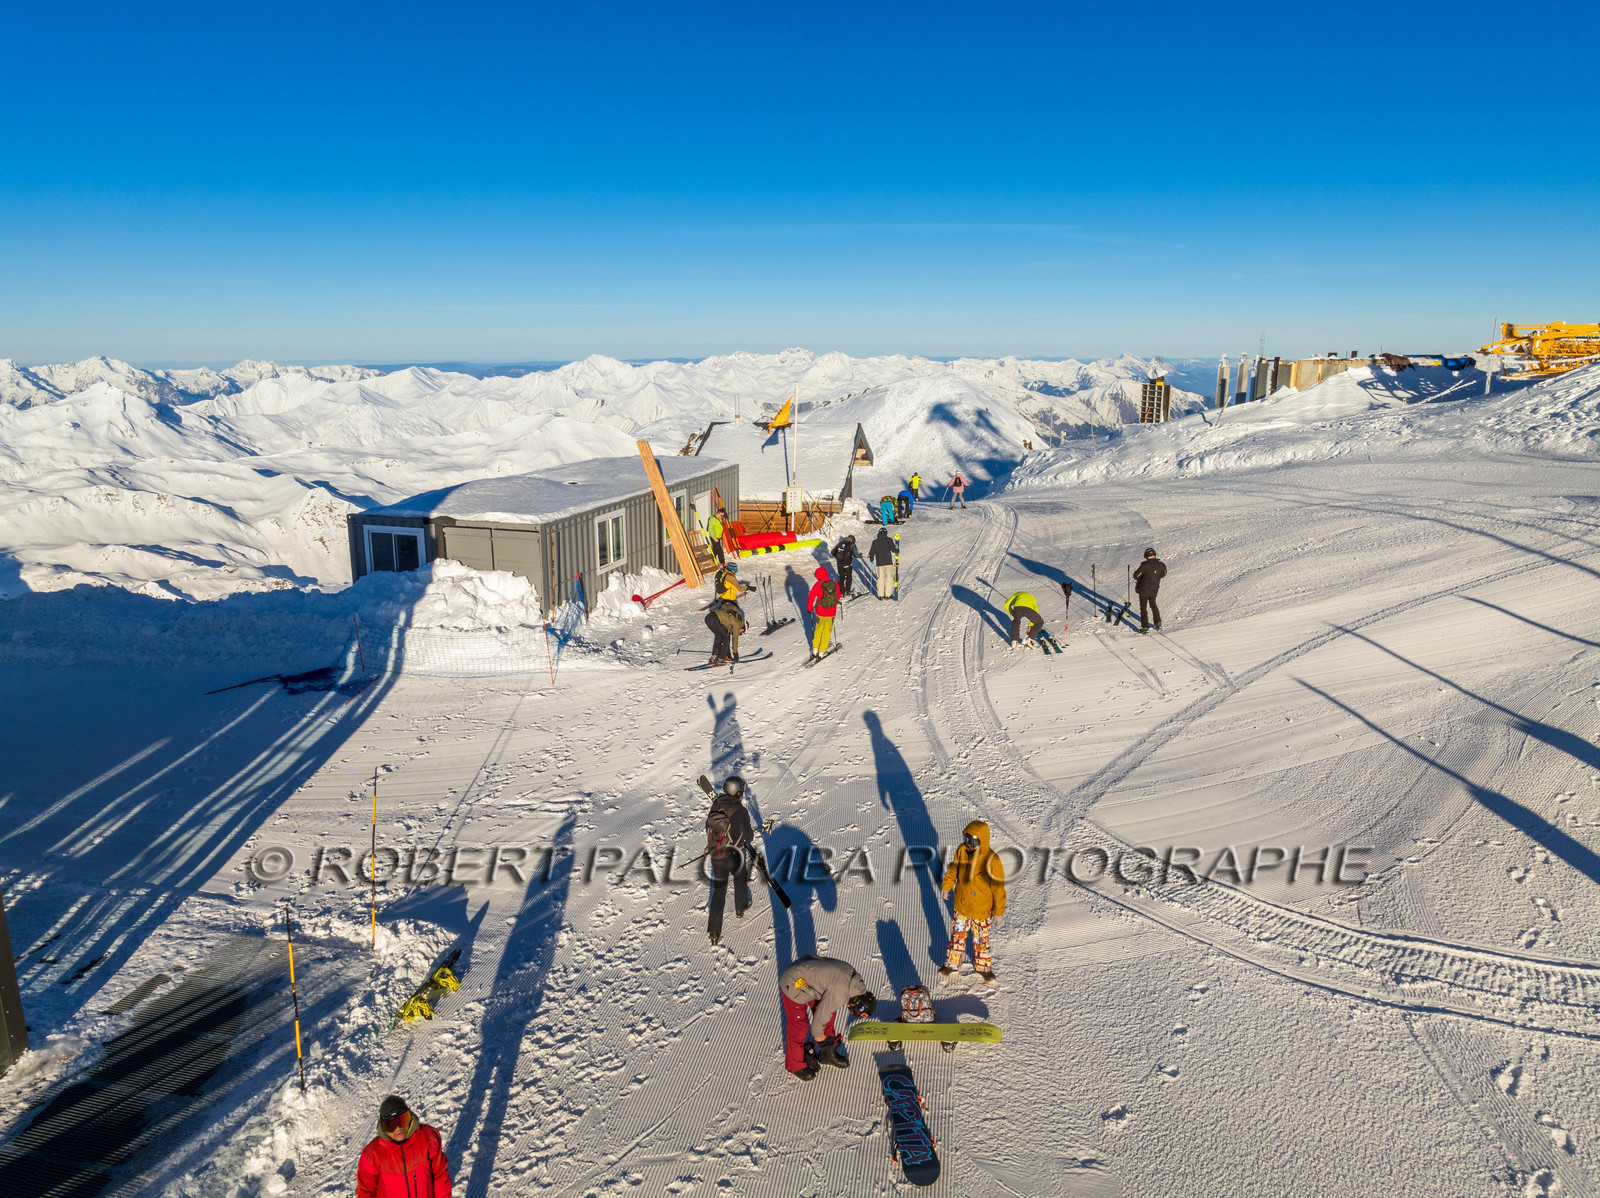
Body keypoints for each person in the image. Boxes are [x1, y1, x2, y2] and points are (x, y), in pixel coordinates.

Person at [778, 954, 877, 1079]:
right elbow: (821, 1015)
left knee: (829, 1012)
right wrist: (818, 1034)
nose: (849, 1006)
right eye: (852, 1007)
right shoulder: (841, 992)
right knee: (800, 1026)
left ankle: (827, 1054)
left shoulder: (853, 981)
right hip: (793, 983)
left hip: (807, 977)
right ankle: (794, 1065)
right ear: (857, 1003)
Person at [940, 821, 1005, 983]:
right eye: (966, 839)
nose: (968, 844)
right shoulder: (962, 850)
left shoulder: (992, 860)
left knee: (981, 940)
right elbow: (954, 869)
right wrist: (947, 886)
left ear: (982, 841)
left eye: (973, 841)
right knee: (957, 936)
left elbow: (998, 889)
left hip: (981, 911)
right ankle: (952, 964)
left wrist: (998, 912)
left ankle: (983, 968)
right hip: (961, 906)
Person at [357, 1095, 451, 1198]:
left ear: (410, 1117)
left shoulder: (428, 1138)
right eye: (391, 1125)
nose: (398, 1128)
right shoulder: (372, 1155)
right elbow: (365, 1193)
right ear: (383, 1127)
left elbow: (440, 1175)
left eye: (402, 1120)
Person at [705, 775, 755, 945]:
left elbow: (708, 827)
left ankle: (713, 931)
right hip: (736, 854)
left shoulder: (716, 805)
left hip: (717, 855)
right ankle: (740, 907)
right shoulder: (741, 811)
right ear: (738, 792)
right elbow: (749, 836)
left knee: (719, 892)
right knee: (740, 879)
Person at [806, 566, 840, 660]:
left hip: (820, 612)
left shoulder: (818, 584)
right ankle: (822, 652)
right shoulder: (834, 584)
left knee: (818, 630)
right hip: (831, 612)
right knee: (826, 632)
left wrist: (809, 608)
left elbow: (811, 597)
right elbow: (838, 597)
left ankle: (815, 650)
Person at [1134, 547, 1166, 633]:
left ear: (1146, 556)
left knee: (1143, 608)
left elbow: (1136, 576)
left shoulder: (1144, 566)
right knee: (1153, 605)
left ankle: (1145, 627)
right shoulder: (1161, 565)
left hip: (1143, 590)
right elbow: (1163, 574)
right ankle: (1158, 623)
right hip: (1154, 589)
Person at [869, 528, 896, 599]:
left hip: (880, 563)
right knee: (889, 578)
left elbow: (872, 552)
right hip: (888, 562)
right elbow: (893, 550)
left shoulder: (875, 542)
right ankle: (888, 594)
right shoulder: (889, 540)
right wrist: (897, 550)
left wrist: (871, 559)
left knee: (880, 578)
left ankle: (880, 595)